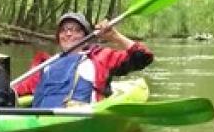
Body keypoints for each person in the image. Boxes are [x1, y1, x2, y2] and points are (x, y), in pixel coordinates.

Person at [15, 11, 153, 109]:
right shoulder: (45, 65)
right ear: (59, 37)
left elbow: (143, 57)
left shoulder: (100, 58)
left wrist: (115, 37)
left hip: (78, 118)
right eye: (64, 30)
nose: (68, 33)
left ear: (85, 37)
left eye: (76, 30)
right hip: (41, 119)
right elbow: (18, 89)